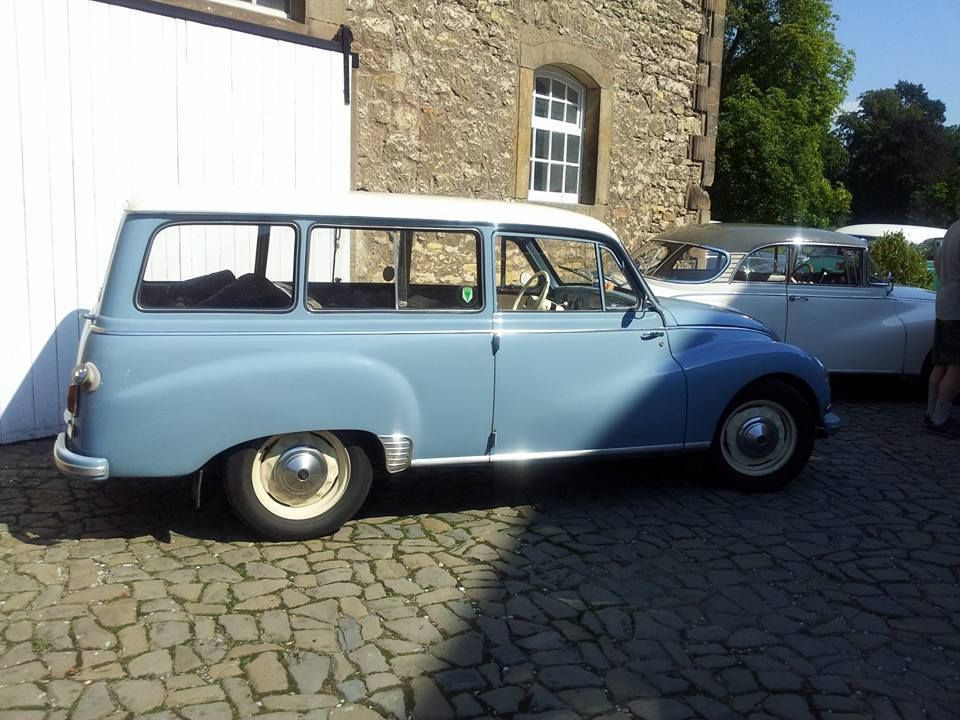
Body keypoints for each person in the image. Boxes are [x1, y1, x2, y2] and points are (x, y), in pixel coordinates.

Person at [926, 218, 960, 436]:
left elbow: (938, 263)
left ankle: (930, 413)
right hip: (958, 308)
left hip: (944, 302)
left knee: (941, 363)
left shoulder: (954, 228)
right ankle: (940, 419)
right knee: (957, 367)